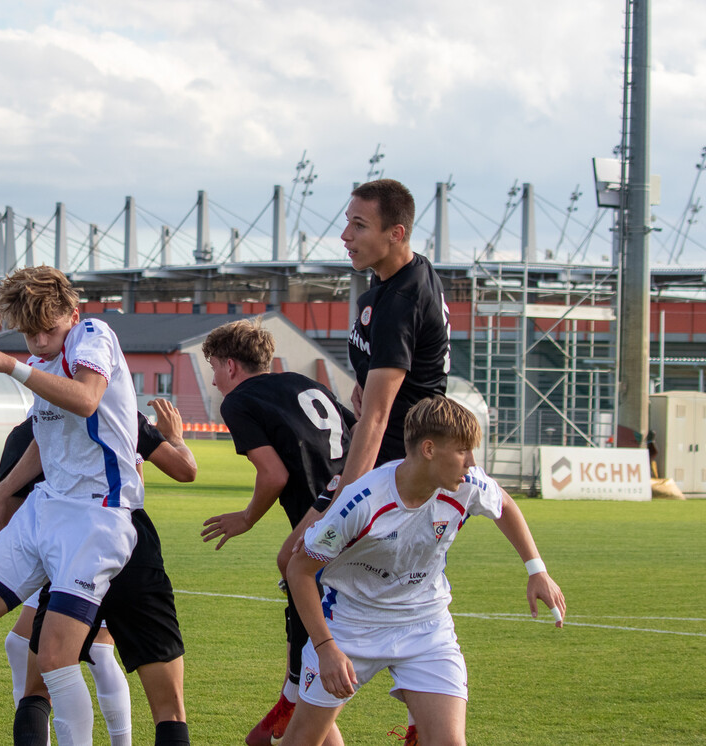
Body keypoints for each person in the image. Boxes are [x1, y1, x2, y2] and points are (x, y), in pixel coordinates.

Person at [0, 266, 142, 746]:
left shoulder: (93, 334)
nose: (40, 340)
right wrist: (1, 494)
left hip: (96, 517)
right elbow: (45, 441)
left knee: (56, 658)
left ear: (73, 314)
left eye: (49, 328)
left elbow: (86, 400)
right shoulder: (43, 367)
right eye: (29, 332)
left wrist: (9, 364)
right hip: (46, 510)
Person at [280, 397, 567, 746]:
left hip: (426, 626)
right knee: (303, 741)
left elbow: (503, 504)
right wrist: (326, 647)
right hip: (351, 625)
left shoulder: (467, 485)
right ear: (429, 449)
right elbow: (299, 570)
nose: (471, 463)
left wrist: (536, 570)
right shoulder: (361, 501)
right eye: (463, 450)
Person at [284, 179, 450, 744]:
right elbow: (376, 395)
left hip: (398, 471)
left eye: (359, 225)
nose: (345, 234)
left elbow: (377, 417)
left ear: (395, 233)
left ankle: (308, 697)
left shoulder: (400, 299)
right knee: (313, 569)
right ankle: (351, 699)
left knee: (301, 561)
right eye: (347, 220)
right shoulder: (395, 282)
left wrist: (344, 501)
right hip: (394, 460)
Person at [0, 398, 196, 746]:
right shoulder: (122, 410)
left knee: (38, 689)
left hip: (69, 550)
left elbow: (8, 513)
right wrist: (175, 439)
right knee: (169, 710)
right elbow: (177, 472)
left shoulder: (28, 431)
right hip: (129, 541)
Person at [198, 319, 353, 746]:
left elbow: (274, 475)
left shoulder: (239, 401)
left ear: (231, 366)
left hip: (324, 536)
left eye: (213, 368)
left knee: (312, 664)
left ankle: (288, 702)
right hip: (361, 515)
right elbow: (358, 434)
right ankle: (289, 701)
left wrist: (246, 518)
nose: (213, 380)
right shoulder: (303, 381)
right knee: (307, 676)